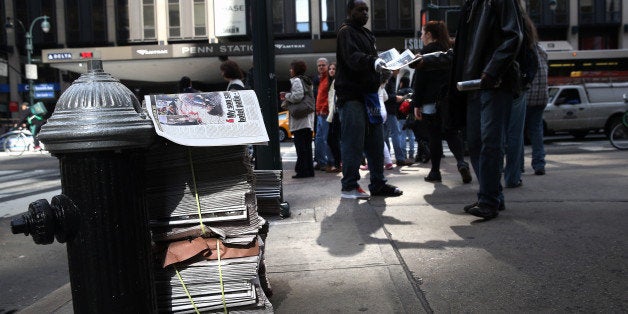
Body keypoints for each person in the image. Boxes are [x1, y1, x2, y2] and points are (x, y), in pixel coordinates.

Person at [419, 0, 524, 219]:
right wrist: (425, 60)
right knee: (476, 143)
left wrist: (492, 71)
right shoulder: (472, 7)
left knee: (489, 143)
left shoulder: (492, 3)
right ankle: (492, 196)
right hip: (475, 84)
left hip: (493, 83)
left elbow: (514, 36)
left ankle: (489, 199)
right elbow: (459, 52)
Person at [335, 0, 402, 199]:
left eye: (367, 10)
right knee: (353, 142)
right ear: (350, 12)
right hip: (352, 97)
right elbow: (353, 58)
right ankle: (349, 186)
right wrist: (374, 61)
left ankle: (378, 183)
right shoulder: (346, 32)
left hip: (369, 96)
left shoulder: (367, 34)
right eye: (360, 10)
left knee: (375, 142)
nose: (365, 13)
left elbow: (366, 62)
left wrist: (383, 72)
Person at [412, 21, 472, 184]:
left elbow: (420, 81)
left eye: (423, 33)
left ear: (429, 35)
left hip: (430, 101)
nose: (422, 36)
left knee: (434, 136)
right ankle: (461, 162)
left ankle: (435, 171)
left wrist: (416, 104)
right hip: (448, 99)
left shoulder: (425, 54)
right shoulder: (449, 51)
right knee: (452, 133)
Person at [504, 11, 539, 188]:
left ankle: (492, 178)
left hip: (497, 86)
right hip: (517, 89)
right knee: (515, 136)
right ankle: (512, 176)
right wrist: (524, 81)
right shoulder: (525, 34)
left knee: (494, 135)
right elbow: (534, 63)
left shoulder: (499, 26)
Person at [281, 60, 315, 179]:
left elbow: (297, 96)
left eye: (292, 68)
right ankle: (309, 170)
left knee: (301, 147)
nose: (290, 70)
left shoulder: (296, 80)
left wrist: (286, 96)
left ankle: (302, 171)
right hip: (307, 119)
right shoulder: (307, 80)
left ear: (296, 70)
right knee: (307, 147)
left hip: (300, 120)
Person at [524, 40, 549, 176]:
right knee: (536, 131)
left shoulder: (523, 50)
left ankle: (517, 165)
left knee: (515, 132)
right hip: (542, 97)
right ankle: (539, 164)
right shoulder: (542, 50)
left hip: (527, 96)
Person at [384, 69, 413, 167]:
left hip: (386, 110)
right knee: (395, 133)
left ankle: (387, 159)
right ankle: (399, 158)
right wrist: (396, 98)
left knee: (386, 135)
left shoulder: (389, 78)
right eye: (397, 69)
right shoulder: (389, 78)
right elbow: (386, 95)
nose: (399, 70)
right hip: (389, 110)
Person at [312, 57, 335, 171]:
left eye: (323, 65)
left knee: (326, 138)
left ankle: (331, 162)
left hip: (325, 112)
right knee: (319, 139)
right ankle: (321, 162)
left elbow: (329, 97)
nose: (321, 67)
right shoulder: (320, 79)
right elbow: (320, 97)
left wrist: (323, 108)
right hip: (319, 113)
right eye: (319, 65)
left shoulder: (329, 79)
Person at [326, 62, 342, 173]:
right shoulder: (331, 82)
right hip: (333, 114)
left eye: (334, 69)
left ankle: (338, 163)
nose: (331, 70)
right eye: (330, 69)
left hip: (338, 114)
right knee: (332, 139)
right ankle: (338, 162)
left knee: (333, 139)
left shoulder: (338, 81)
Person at [395, 76, 415, 160]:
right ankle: (411, 153)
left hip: (401, 116)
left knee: (402, 135)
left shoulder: (399, 92)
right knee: (411, 135)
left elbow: (397, 104)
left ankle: (403, 154)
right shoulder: (412, 91)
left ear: (401, 83)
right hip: (411, 116)